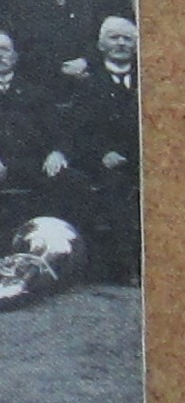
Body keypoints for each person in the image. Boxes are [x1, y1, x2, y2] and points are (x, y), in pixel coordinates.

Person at [0, 30, 80, 255]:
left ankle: (62, 255)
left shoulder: (38, 94)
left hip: (32, 165)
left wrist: (57, 153)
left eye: (4, 49)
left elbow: (61, 134)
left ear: (15, 57)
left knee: (73, 181)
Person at [69, 16, 140, 284]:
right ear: (101, 45)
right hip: (106, 163)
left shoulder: (153, 78)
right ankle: (128, 266)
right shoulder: (88, 85)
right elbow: (79, 133)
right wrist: (101, 154)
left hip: (143, 159)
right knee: (117, 188)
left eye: (127, 38)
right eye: (114, 38)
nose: (121, 43)